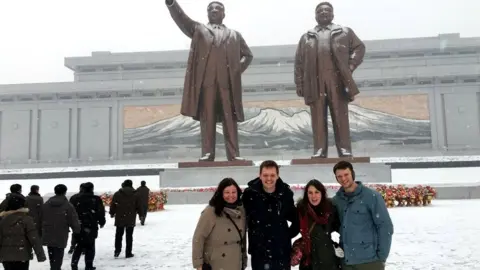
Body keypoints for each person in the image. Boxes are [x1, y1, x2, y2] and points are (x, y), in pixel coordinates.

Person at [165, 0, 253, 161]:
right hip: (207, 84)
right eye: (210, 9)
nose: (214, 10)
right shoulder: (199, 30)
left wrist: (235, 71)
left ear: (223, 14)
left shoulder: (234, 35)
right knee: (207, 118)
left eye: (218, 8)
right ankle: (207, 153)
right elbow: (182, 19)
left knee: (229, 118)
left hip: (228, 85)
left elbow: (248, 55)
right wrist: (172, 4)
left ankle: (234, 155)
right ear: (207, 13)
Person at [294, 2, 365, 158]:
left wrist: (350, 66)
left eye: (327, 10)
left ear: (333, 14)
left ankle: (344, 149)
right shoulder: (307, 37)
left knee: (340, 116)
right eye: (320, 11)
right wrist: (300, 84)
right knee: (318, 119)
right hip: (315, 82)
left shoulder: (344, 32)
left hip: (337, 81)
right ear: (315, 15)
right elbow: (299, 63)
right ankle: (320, 150)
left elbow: (359, 48)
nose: (324, 13)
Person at [332, 161, 394, 270]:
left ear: (353, 174)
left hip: (369, 261)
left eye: (346, 175)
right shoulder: (337, 200)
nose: (343, 179)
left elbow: (385, 226)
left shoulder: (372, 197)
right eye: (339, 176)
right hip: (347, 262)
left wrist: (381, 257)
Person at [242, 160, 299, 270]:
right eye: (265, 175)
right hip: (259, 251)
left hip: (281, 251)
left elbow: (295, 218)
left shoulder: (285, 194)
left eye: (272, 175)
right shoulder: (250, 194)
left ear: (277, 175)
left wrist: (285, 236)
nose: (269, 179)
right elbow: (240, 215)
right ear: (260, 175)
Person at [192, 178, 247, 270]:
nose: (231, 195)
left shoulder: (241, 211)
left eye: (234, 192)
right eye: (227, 192)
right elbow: (198, 237)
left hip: (236, 263)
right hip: (215, 264)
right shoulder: (211, 211)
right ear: (221, 193)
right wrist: (199, 265)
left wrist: (243, 259)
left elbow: (243, 239)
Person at [293, 179, 342, 270]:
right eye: (310, 193)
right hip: (308, 261)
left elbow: (342, 229)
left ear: (322, 193)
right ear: (306, 194)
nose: (313, 196)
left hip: (328, 259)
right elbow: (292, 229)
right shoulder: (301, 210)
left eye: (317, 192)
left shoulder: (330, 209)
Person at [0, 195, 46, 270]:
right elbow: (34, 238)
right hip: (22, 255)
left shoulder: (3, 220)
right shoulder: (27, 219)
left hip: (6, 256)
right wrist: (40, 255)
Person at [41, 184, 81, 270]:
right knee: (59, 252)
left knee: (51, 251)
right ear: (65, 192)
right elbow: (73, 219)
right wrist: (77, 230)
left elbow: (41, 216)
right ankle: (56, 267)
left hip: (48, 231)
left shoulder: (47, 204)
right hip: (61, 232)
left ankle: (53, 267)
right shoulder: (67, 205)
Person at [70, 182, 106, 270]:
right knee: (90, 246)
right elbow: (100, 212)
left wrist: (71, 223)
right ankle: (88, 265)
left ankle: (74, 264)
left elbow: (70, 212)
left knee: (79, 245)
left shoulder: (74, 198)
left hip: (78, 224)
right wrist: (102, 222)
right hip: (91, 225)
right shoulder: (96, 199)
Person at [110, 179, 143, 258]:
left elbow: (113, 205)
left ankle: (117, 251)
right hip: (130, 217)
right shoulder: (136, 194)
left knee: (118, 235)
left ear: (124, 184)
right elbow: (139, 206)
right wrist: (141, 214)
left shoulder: (117, 194)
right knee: (129, 236)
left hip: (120, 217)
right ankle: (128, 253)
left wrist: (112, 213)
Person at [68, 183, 86, 254]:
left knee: (75, 233)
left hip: (75, 218)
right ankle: (84, 248)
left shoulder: (74, 197)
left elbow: (69, 208)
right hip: (85, 218)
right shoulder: (88, 197)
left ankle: (72, 247)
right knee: (85, 233)